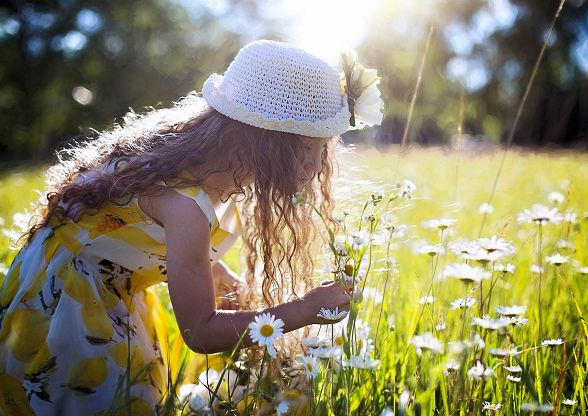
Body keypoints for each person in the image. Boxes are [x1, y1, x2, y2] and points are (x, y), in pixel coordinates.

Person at [0, 40, 383, 415]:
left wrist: (215, 272)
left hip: (108, 281)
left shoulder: (203, 159)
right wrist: (306, 308)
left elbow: (131, 232)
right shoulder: (187, 205)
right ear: (266, 141)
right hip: (66, 299)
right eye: (308, 149)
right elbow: (200, 332)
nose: (318, 167)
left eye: (323, 150)